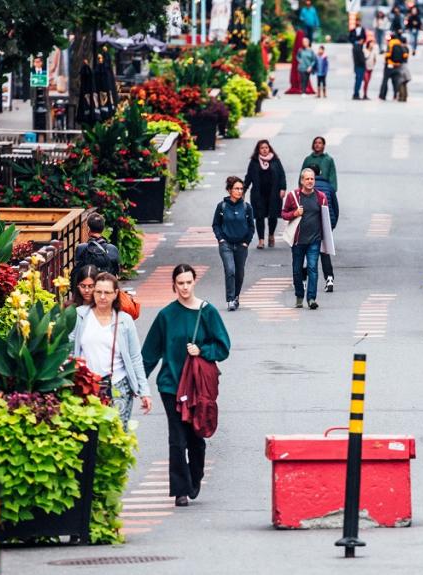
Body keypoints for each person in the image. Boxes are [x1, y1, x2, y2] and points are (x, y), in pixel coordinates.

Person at [142, 264, 231, 508]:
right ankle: (180, 490)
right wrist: (139, 384)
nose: (184, 287)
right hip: (171, 384)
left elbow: (223, 346)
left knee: (196, 437)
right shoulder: (166, 316)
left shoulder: (207, 312)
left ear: (194, 283)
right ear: (174, 285)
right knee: (177, 438)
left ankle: (195, 475)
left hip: (197, 386)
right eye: (180, 283)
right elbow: (149, 353)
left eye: (188, 282)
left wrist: (202, 350)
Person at [71, 272, 151, 429]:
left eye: (107, 292)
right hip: (86, 386)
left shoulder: (124, 321)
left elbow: (135, 357)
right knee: (90, 438)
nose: (102, 297)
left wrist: (144, 391)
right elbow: (69, 350)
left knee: (117, 438)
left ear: (115, 294)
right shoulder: (80, 316)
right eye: (98, 292)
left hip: (118, 386)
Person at [281, 169, 330, 310]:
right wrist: (294, 213)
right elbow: (284, 214)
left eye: (312, 179)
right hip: (298, 241)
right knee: (297, 269)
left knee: (312, 268)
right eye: (307, 179)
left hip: (314, 240)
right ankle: (299, 296)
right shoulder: (293, 196)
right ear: (302, 181)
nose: (310, 181)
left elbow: (325, 217)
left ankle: (311, 298)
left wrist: (326, 236)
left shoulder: (320, 197)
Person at [212, 176, 255, 311]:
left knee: (239, 273)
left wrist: (246, 242)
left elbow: (251, 226)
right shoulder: (222, 206)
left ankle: (236, 296)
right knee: (230, 270)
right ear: (229, 190)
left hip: (241, 245)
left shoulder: (246, 207)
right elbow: (216, 224)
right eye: (236, 188)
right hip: (226, 245)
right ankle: (230, 299)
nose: (239, 191)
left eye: (241, 189)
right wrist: (220, 239)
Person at [244, 140, 288, 249]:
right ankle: (261, 240)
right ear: (258, 150)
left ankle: (271, 235)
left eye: (266, 147)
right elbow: (248, 176)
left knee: (273, 216)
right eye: (262, 148)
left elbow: (282, 175)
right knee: (259, 216)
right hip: (258, 194)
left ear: (269, 149)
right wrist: (243, 189)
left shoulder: (275, 161)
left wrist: (283, 188)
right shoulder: (254, 162)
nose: (264, 150)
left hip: (274, 193)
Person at [308, 164, 339, 292]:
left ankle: (304, 280)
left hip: (310, 224)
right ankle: (329, 278)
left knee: (308, 251)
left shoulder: (307, 188)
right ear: (320, 173)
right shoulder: (329, 187)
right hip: (326, 223)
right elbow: (336, 208)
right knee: (325, 252)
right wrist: (332, 224)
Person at [380, 34, 407, 100]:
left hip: (389, 65)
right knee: (395, 82)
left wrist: (386, 60)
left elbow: (388, 54)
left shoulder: (390, 44)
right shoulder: (400, 44)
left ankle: (383, 95)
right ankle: (395, 95)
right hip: (397, 66)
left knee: (385, 81)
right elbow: (405, 55)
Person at [396, 36, 412, 102]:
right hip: (405, 66)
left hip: (402, 66)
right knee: (404, 82)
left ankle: (402, 97)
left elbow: (400, 58)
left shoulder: (402, 48)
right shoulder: (407, 48)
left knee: (401, 82)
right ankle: (404, 96)